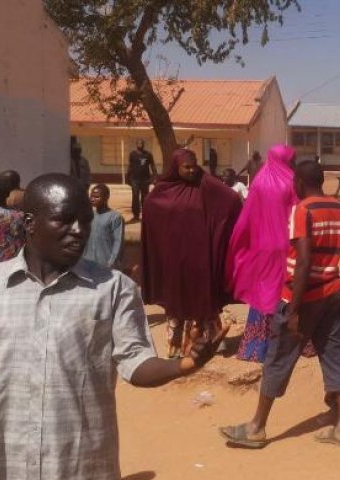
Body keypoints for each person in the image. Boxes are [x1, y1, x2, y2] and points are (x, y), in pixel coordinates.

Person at [0, 174, 229, 480]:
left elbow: (135, 363)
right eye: (64, 219)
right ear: (29, 223)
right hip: (0, 478)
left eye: (85, 221)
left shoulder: (113, 289)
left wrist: (184, 364)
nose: (78, 230)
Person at [219, 161, 340, 449]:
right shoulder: (338, 208)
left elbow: (304, 259)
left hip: (304, 296)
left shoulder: (302, 210)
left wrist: (293, 309)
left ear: (300, 183)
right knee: (335, 355)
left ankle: (257, 427)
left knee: (278, 358)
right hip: (332, 291)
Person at [142, 149, 242, 359]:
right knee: (175, 300)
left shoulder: (205, 184)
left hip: (200, 256)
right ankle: (176, 346)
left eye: (193, 166)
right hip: (173, 258)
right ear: (175, 167)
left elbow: (231, 199)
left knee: (203, 296)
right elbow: (151, 208)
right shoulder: (162, 190)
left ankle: (210, 343)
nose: (191, 170)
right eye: (186, 167)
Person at [225, 145, 316, 363]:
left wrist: (240, 243)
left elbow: (247, 216)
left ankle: (256, 347)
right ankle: (293, 342)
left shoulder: (258, 182)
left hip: (261, 246)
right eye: (292, 160)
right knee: (287, 290)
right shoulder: (292, 182)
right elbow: (300, 212)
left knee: (262, 291)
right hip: (286, 245)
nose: (293, 164)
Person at [82, 184, 125, 269]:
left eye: (97, 197)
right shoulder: (89, 216)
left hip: (106, 264)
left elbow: (118, 242)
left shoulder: (115, 217)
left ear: (106, 197)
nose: (93, 199)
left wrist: (111, 262)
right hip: (88, 262)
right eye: (91, 196)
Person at [126, 140, 157, 223]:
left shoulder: (148, 154)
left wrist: (155, 177)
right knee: (135, 196)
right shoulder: (132, 154)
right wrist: (127, 177)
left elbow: (153, 165)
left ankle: (145, 215)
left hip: (145, 179)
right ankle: (136, 216)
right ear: (136, 144)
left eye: (142, 143)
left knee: (145, 198)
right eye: (139, 143)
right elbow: (130, 166)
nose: (140, 144)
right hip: (135, 179)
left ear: (144, 144)